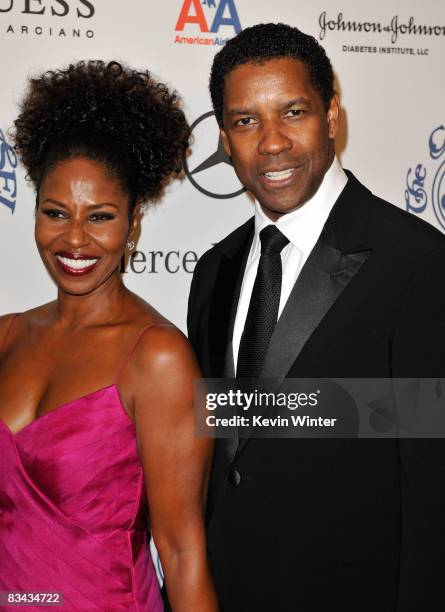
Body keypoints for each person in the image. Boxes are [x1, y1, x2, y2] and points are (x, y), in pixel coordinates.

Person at [187, 23, 445, 612]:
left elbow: (432, 489)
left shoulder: (416, 262)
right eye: (246, 121)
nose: (271, 142)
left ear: (331, 117)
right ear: (225, 139)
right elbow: (224, 448)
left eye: (293, 112)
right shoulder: (213, 271)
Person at [0, 60, 219, 611]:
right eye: (55, 212)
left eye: (99, 217)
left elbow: (181, 551)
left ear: (133, 222)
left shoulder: (158, 357)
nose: (74, 239)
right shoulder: (6, 335)